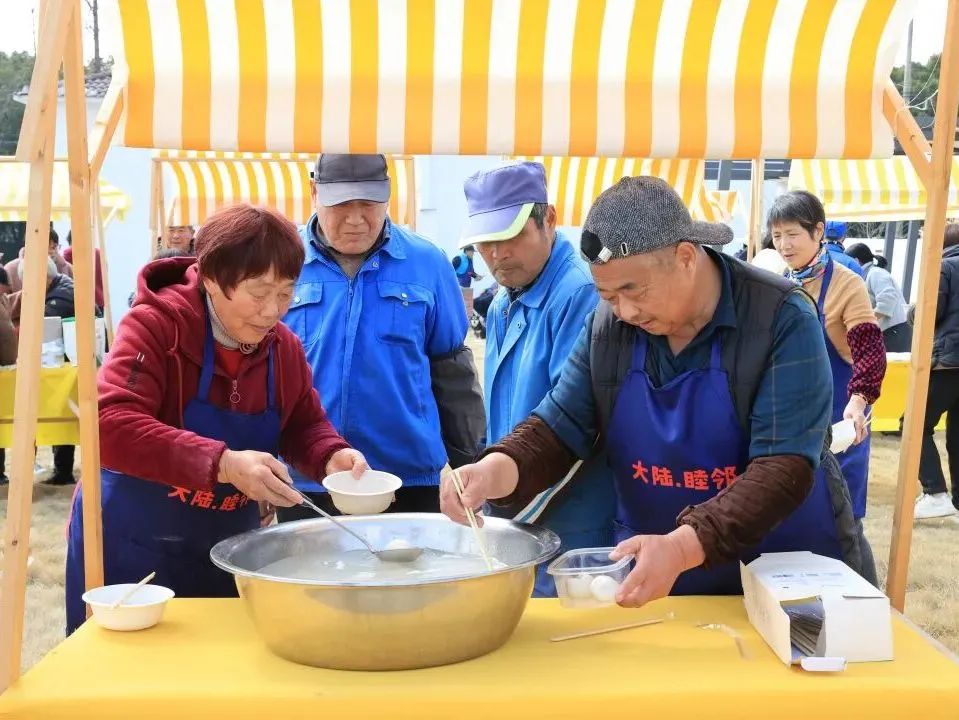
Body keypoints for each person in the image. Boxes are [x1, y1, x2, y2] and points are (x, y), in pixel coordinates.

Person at [440, 177, 873, 606]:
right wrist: (495, 468)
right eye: (608, 296)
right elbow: (560, 424)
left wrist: (684, 546)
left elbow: (783, 466)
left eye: (634, 290)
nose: (624, 311)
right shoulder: (609, 327)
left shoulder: (780, 316)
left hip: (782, 573)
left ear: (685, 256)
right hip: (659, 575)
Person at [64, 204, 368, 635]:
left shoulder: (283, 348)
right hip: (131, 546)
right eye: (259, 292)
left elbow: (303, 422)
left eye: (286, 293)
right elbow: (109, 425)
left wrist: (332, 456)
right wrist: (224, 463)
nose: (273, 311)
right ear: (210, 278)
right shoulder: (156, 327)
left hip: (226, 548)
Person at [279, 154, 485, 520]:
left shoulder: (427, 262)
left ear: (389, 196)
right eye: (342, 204)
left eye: (369, 204)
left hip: (410, 480)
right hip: (306, 480)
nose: (356, 219)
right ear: (314, 192)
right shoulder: (282, 259)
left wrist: (466, 466)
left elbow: (453, 374)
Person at [460, 161, 616, 597]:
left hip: (573, 522)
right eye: (485, 242)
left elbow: (580, 428)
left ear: (548, 219)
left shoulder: (581, 293)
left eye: (510, 236)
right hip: (515, 512)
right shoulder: (500, 305)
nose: (496, 254)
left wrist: (509, 508)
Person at [769, 192, 886, 520]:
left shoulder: (847, 284)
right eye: (777, 236)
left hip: (840, 412)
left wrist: (859, 401)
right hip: (792, 414)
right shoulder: (781, 282)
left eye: (792, 234)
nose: (784, 245)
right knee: (790, 508)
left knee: (839, 513)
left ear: (818, 231)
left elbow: (869, 350)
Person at [15, 256, 82, 485]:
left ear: (42, 278)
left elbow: (39, 332)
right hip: (73, 363)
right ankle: (61, 469)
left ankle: (62, 471)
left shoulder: (58, 299)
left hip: (69, 366)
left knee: (61, 412)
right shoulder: (64, 287)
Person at [913, 222, 959, 519]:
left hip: (947, 362)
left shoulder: (944, 266)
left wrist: (912, 312)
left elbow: (930, 312)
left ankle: (935, 492)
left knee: (914, 427)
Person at [845, 242, 912, 352]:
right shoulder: (867, 275)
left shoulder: (876, 273)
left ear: (856, 261)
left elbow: (887, 302)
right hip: (888, 332)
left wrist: (863, 323)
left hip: (893, 333)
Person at [4, 226, 73, 294]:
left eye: (54, 247)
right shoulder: (10, 269)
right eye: (45, 246)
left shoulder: (68, 269)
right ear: (30, 246)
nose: (50, 251)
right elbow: (4, 300)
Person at [62, 230, 104, 312]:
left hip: (82, 300)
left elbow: (63, 273)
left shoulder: (70, 252)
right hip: (100, 299)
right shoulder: (98, 252)